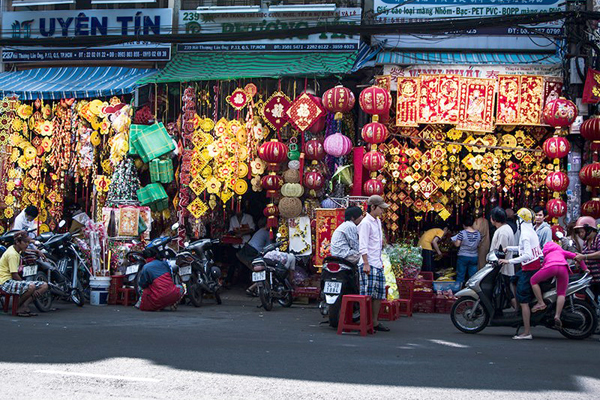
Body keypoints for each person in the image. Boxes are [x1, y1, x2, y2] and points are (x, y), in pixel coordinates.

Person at [499, 208, 543, 340]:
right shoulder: (531, 231)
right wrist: (509, 248)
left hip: (529, 270)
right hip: (533, 267)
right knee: (513, 279)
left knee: (524, 301)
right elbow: (523, 248)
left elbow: (527, 254)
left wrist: (508, 261)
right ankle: (518, 313)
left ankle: (527, 332)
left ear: (520, 220)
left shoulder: (525, 235)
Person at [530, 241, 587, 329]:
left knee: (533, 280)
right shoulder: (561, 251)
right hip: (563, 268)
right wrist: (585, 269)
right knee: (561, 293)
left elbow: (542, 268)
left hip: (550, 267)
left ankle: (541, 303)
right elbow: (577, 257)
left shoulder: (547, 255)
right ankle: (557, 315)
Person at [358, 195, 390, 332]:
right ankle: (364, 322)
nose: (382, 211)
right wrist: (366, 263)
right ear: (373, 207)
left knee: (378, 294)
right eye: (380, 208)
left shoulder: (377, 222)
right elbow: (362, 245)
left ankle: (374, 321)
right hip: (369, 263)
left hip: (377, 262)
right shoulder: (365, 223)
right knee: (367, 294)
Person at [0, 231, 49, 317]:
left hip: (10, 280)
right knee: (31, 286)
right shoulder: (12, 254)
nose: (27, 244)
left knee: (44, 285)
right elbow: (14, 275)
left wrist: (37, 251)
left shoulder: (16, 248)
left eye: (28, 242)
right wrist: (28, 287)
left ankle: (24, 306)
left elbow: (26, 250)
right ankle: (17, 307)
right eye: (25, 242)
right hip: (5, 282)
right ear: (18, 242)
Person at [489, 207, 516, 309]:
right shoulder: (504, 229)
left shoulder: (503, 231)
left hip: (503, 269)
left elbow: (501, 251)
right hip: (504, 268)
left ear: (494, 219)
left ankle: (519, 313)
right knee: (507, 292)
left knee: (508, 292)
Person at [236, 218, 271, 295]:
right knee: (263, 270)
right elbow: (269, 247)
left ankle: (254, 287)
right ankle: (252, 288)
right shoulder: (266, 233)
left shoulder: (259, 231)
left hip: (247, 249)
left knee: (256, 270)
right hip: (253, 253)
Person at [225, 207, 256, 286]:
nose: (237, 212)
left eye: (239, 210)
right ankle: (229, 281)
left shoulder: (248, 217)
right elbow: (230, 230)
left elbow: (252, 229)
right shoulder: (233, 219)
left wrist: (242, 233)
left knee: (245, 263)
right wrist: (234, 233)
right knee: (233, 263)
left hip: (245, 242)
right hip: (235, 243)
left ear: (242, 210)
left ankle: (245, 282)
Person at [573, 216, 600, 303]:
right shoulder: (586, 242)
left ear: (590, 230)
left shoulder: (598, 238)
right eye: (579, 232)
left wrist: (584, 257)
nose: (580, 234)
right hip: (591, 279)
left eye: (582, 232)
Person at [451, 214, 482, 287]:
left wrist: (453, 241)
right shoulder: (478, 233)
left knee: (460, 275)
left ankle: (458, 292)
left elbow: (457, 244)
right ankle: (471, 292)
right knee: (472, 277)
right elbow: (479, 245)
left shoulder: (462, 233)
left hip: (463, 256)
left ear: (464, 225)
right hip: (474, 256)